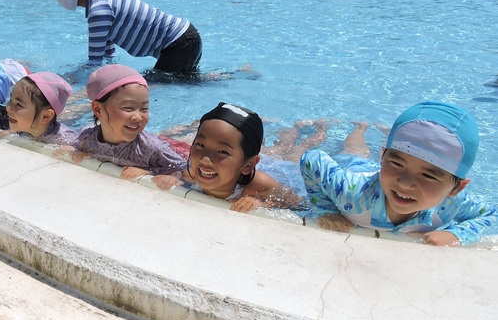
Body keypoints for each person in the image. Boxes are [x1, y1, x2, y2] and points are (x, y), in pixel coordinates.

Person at [300, 101, 498, 246]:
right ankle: (360, 128)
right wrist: (327, 210)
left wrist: (458, 234)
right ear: (384, 156)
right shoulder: (352, 194)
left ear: (456, 187)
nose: (405, 183)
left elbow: (493, 214)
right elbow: (311, 159)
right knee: (353, 151)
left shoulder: (451, 204)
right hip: (355, 168)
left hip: (380, 172)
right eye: (396, 162)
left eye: (428, 176)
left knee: (371, 153)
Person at [39, 0, 202, 76]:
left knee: (149, 84)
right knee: (186, 81)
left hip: (178, 44)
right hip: (185, 39)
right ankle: (221, 78)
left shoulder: (98, 9)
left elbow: (94, 64)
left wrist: (66, 78)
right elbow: (108, 55)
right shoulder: (100, 0)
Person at [158, 103, 304, 213]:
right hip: (241, 157)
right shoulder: (189, 174)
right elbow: (175, 175)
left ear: (248, 165)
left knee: (291, 153)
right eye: (201, 144)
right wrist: (170, 178)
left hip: (276, 166)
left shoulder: (260, 185)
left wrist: (260, 202)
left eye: (222, 151)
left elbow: (296, 203)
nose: (205, 160)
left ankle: (298, 129)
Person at [73, 64, 187, 178]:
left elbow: (185, 169)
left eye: (144, 109)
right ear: (98, 109)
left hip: (177, 147)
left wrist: (150, 172)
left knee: (184, 133)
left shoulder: (151, 148)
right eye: (128, 108)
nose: (138, 117)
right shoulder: (87, 138)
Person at [5, 71, 77, 144]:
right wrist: (10, 131)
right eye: (11, 99)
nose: (8, 107)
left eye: (18, 104)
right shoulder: (24, 126)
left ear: (46, 116)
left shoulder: (65, 140)